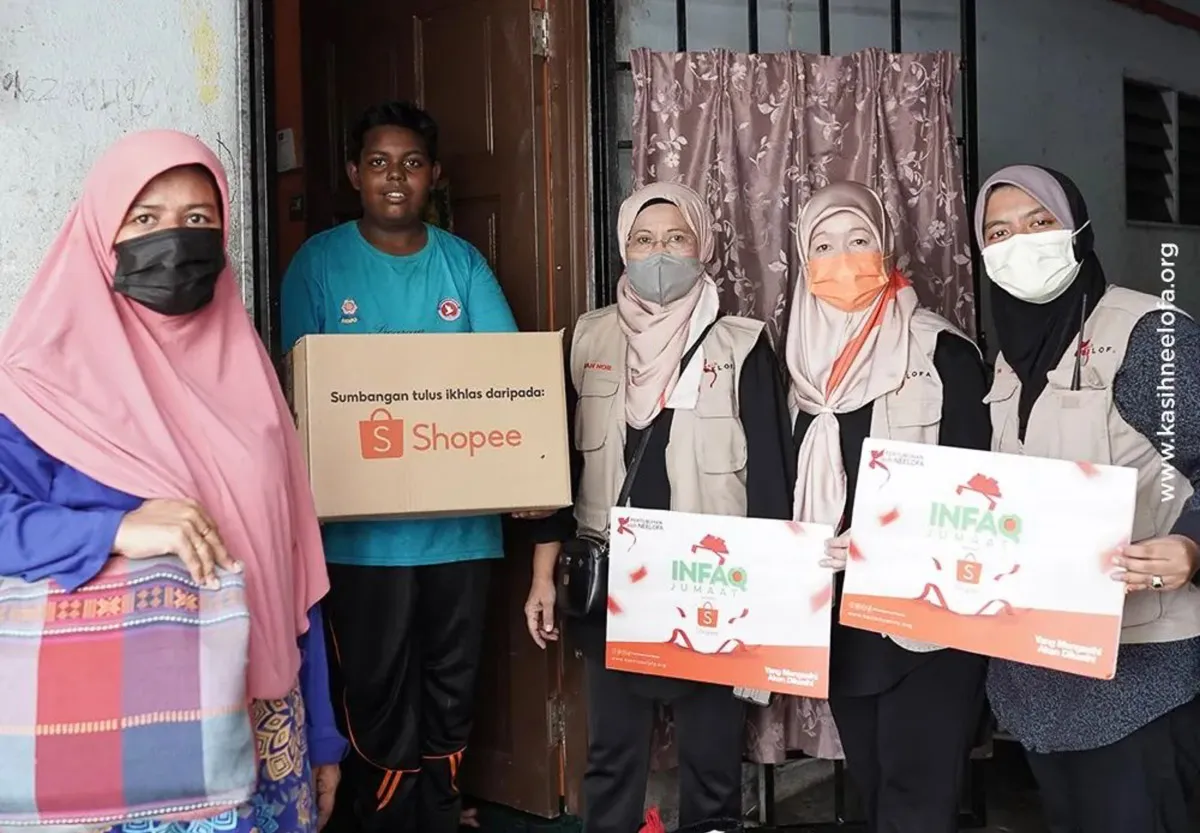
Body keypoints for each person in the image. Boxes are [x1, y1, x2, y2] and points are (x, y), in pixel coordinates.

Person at [0, 130, 343, 832]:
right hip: (108, 739)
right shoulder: (39, 383)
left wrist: (323, 738)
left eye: (198, 220)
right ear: (101, 231)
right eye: (146, 218)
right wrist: (116, 529)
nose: (175, 240)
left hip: (261, 730)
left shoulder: (251, 387)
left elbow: (292, 578)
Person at [522, 182, 794, 833]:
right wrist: (541, 576)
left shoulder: (742, 346)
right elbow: (557, 471)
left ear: (703, 246)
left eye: (676, 238)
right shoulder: (588, 340)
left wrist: (773, 594)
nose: (660, 253)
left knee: (712, 763)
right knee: (612, 758)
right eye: (644, 240)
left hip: (710, 584)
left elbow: (772, 484)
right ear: (623, 249)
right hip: (612, 584)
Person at [280, 101, 518, 833]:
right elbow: (302, 386)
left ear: (434, 175)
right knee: (375, 686)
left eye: (411, 163)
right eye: (378, 162)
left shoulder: (461, 263)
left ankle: (439, 814)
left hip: (460, 532)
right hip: (360, 534)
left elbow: (505, 375)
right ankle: (384, 817)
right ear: (354, 173)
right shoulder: (320, 263)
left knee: (452, 682)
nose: (394, 177)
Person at [976, 164, 1200, 832]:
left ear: (1077, 229)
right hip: (1039, 683)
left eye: (1039, 223)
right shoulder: (1009, 359)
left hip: (1143, 678)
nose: (1021, 242)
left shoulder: (1148, 336)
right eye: (999, 231)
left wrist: (1192, 543)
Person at [784, 181, 991, 833]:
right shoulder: (794, 370)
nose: (841, 260)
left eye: (858, 240)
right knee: (873, 796)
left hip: (927, 623)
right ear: (802, 260)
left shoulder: (942, 355)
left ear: (887, 246)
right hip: (841, 622)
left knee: (917, 804)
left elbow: (981, 503)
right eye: (822, 245)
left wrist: (885, 537)